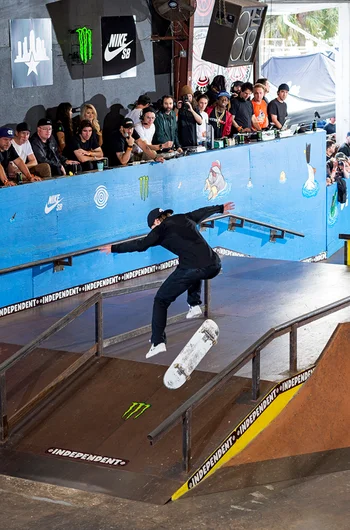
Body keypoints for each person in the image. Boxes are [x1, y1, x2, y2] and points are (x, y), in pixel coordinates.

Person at [100, 201, 235, 357]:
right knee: (190, 265)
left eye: (152, 227)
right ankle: (194, 304)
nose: (152, 230)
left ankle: (157, 342)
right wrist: (219, 208)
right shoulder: (184, 217)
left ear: (156, 221)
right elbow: (202, 211)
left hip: (193, 268)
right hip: (215, 265)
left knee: (161, 300)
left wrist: (114, 248)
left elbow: (140, 245)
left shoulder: (159, 230)